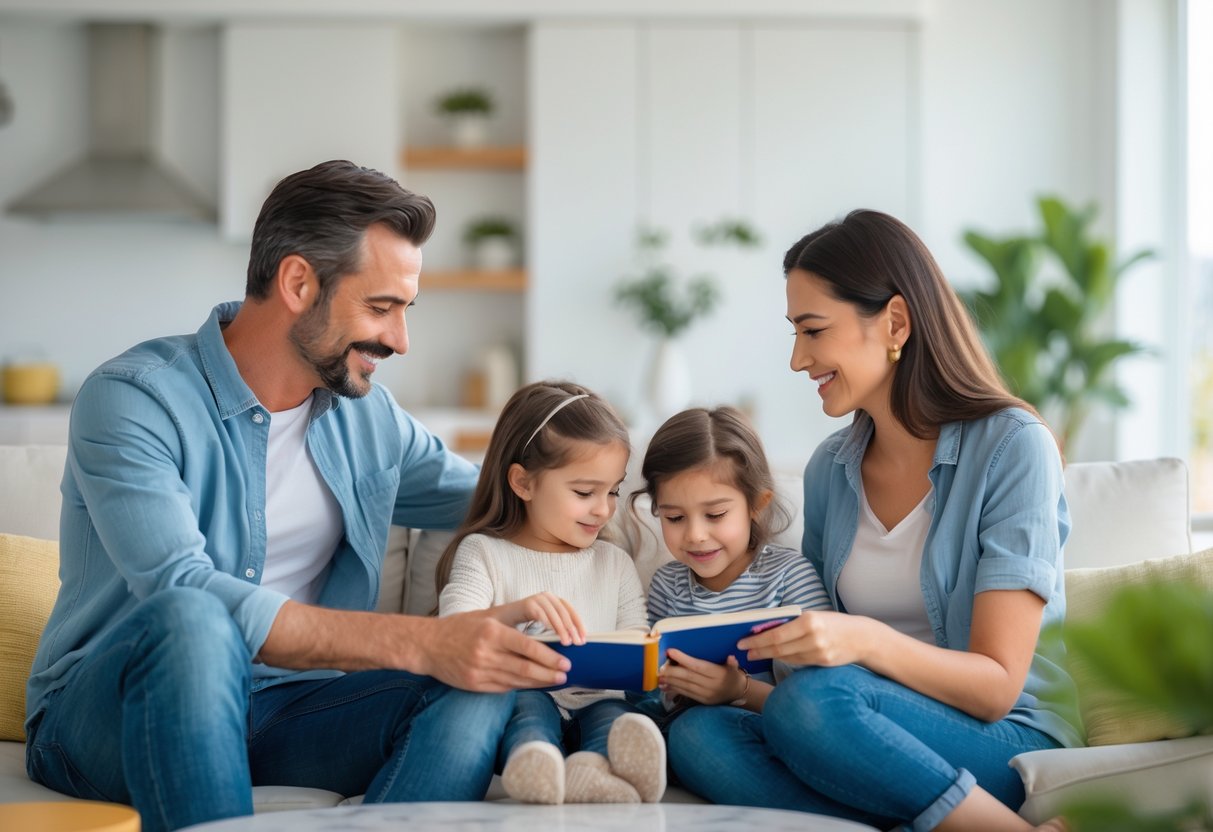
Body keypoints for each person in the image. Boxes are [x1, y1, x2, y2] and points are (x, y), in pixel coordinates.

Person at [24, 160, 572, 832]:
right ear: (296, 281)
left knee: (478, 682)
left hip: (290, 707)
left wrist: (663, 518)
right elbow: (184, 587)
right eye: (381, 307)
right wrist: (425, 641)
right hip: (112, 712)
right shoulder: (134, 399)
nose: (400, 339)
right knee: (195, 620)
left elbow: (501, 499)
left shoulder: (368, 418)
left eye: (405, 310)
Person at [666, 210, 1081, 832]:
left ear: (894, 322)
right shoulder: (830, 470)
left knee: (817, 699)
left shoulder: (1013, 446)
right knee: (700, 734)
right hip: (858, 725)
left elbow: (996, 686)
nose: (798, 360)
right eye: (794, 334)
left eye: (813, 331)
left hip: (1003, 736)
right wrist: (739, 690)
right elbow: (803, 685)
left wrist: (861, 640)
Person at [436, 380, 667, 806]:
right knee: (527, 712)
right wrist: (517, 612)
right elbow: (449, 632)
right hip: (525, 697)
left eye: (612, 491)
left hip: (600, 698)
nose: (603, 509)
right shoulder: (485, 552)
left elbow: (637, 638)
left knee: (616, 718)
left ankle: (598, 772)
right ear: (523, 483)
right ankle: (536, 765)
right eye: (584, 492)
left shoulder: (613, 562)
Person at [633, 406, 831, 717]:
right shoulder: (666, 586)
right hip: (694, 731)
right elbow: (653, 688)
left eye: (715, 515)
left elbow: (822, 699)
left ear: (756, 505)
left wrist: (738, 691)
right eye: (674, 517)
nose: (696, 535)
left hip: (782, 725)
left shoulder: (789, 577)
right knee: (690, 729)